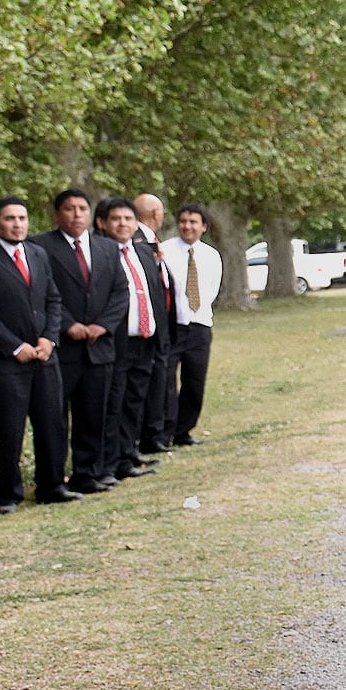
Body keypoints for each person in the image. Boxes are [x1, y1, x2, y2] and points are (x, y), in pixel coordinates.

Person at [0, 196, 75, 514]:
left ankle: (52, 485)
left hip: (44, 355)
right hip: (6, 361)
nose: (17, 224)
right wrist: (15, 346)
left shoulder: (38, 253)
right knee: (9, 426)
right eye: (9, 218)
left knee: (52, 422)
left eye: (22, 218)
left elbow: (53, 300)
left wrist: (48, 340)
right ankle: (8, 493)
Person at [29, 189, 126, 494]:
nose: (76, 214)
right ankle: (52, 480)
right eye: (69, 209)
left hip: (99, 347)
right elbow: (43, 291)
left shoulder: (108, 248)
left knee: (94, 415)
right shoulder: (41, 247)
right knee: (54, 417)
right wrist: (68, 325)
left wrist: (102, 326)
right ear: (57, 214)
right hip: (62, 347)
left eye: (82, 208)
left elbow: (120, 292)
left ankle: (89, 474)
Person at [96, 197, 162, 480]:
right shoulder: (101, 254)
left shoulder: (142, 252)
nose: (123, 224)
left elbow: (152, 293)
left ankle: (128, 453)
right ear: (102, 223)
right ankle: (111, 461)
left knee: (135, 400)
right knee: (115, 403)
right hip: (116, 340)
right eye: (116, 219)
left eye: (128, 219)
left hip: (144, 338)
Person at [158, 203, 221, 446]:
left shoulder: (211, 255)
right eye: (183, 221)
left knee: (194, 381)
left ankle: (184, 431)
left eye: (193, 222)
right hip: (173, 325)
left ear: (203, 227)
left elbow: (212, 290)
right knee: (166, 381)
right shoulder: (164, 251)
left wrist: (197, 310)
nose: (187, 226)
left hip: (200, 324)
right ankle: (164, 430)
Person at [132, 192, 178, 454]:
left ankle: (157, 432)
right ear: (156, 214)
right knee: (152, 381)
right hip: (150, 326)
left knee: (162, 378)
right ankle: (150, 434)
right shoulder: (138, 242)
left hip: (162, 322)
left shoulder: (152, 242)